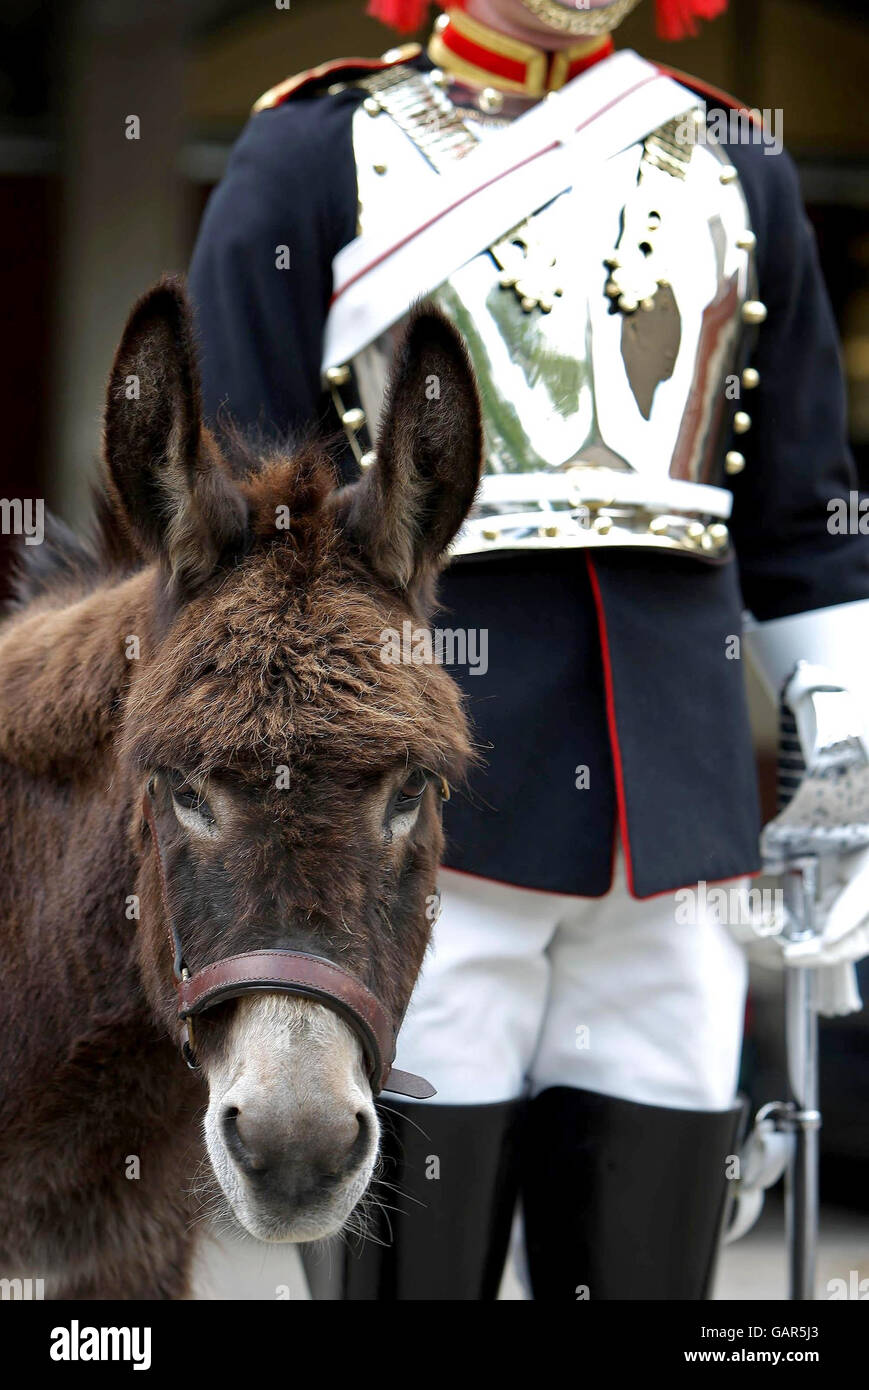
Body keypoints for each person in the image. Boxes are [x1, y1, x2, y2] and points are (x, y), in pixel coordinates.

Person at [188, 0, 869, 1299]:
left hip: (677, 844)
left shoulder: (736, 163)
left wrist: (839, 750)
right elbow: (238, 543)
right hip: (421, 831)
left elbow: (798, 518)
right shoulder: (309, 155)